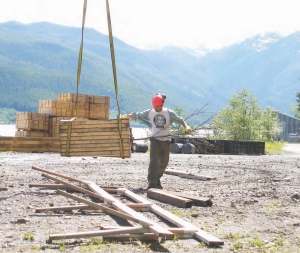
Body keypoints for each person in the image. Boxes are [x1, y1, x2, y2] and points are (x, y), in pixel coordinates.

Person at [121, 93, 192, 190]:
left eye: (157, 106)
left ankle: (157, 179)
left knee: (164, 162)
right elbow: (138, 115)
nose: (155, 108)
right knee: (153, 161)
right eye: (154, 106)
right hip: (155, 140)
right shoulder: (150, 112)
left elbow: (179, 119)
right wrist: (126, 116)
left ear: (162, 105)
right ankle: (152, 182)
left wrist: (186, 127)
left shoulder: (169, 113)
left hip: (166, 141)